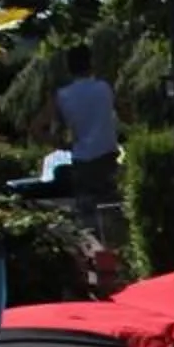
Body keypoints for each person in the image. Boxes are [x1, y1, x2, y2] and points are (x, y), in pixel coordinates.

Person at [34, 44, 121, 224]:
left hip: (82, 161)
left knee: (87, 217)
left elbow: (36, 128)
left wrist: (61, 144)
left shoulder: (63, 95)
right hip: (107, 158)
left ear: (68, 67)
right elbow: (128, 115)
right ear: (91, 63)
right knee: (113, 214)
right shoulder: (105, 88)